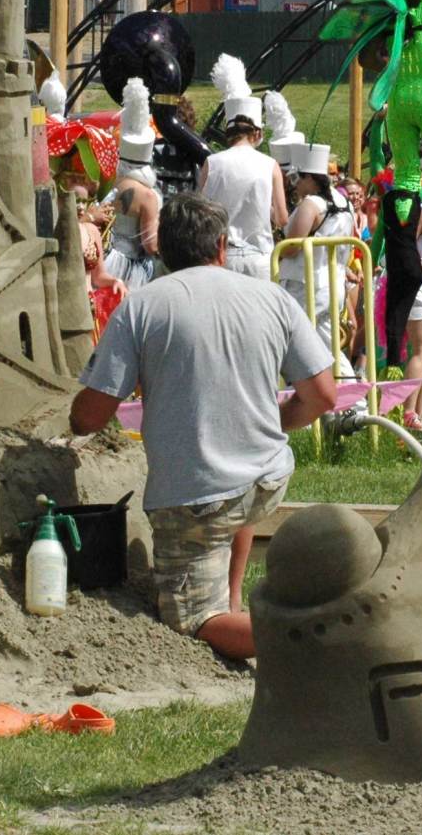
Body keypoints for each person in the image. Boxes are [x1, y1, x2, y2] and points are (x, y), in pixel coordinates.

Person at [69, 193, 336, 659]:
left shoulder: (143, 307)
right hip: (265, 478)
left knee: (192, 619)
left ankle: (313, 638)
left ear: (165, 251)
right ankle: (233, 600)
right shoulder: (271, 298)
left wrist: (73, 411)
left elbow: (90, 417)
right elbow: (323, 396)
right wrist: (276, 422)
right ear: (220, 247)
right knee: (234, 494)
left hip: (196, 498)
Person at [200, 54, 287, 280]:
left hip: (220, 256)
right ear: (257, 133)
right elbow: (281, 218)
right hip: (259, 259)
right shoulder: (270, 165)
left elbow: (200, 210)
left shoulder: (212, 163)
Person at [279, 144, 358, 379]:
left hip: (307, 286)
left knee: (309, 347)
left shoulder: (311, 204)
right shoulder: (346, 204)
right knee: (326, 345)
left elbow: (291, 247)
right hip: (332, 284)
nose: (296, 185)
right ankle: (350, 403)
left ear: (310, 178)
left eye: (298, 179)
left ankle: (351, 403)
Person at [104, 78, 160, 290]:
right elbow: (150, 244)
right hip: (131, 269)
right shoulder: (147, 195)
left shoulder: (110, 179)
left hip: (106, 259)